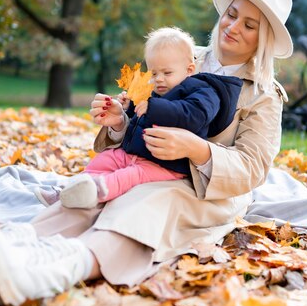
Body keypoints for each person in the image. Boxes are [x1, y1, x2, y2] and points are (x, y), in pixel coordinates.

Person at [0, 0, 293, 306]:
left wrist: (196, 148)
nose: (233, 27)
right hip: (147, 161)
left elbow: (254, 167)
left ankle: (48, 272)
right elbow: (141, 114)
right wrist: (119, 120)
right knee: (96, 188)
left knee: (146, 201)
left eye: (249, 25)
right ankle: (10, 245)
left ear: (263, 40)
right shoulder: (182, 55)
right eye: (231, 14)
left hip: (205, 189)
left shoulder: (263, 94)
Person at [33, 26, 242, 210]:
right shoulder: (157, 91)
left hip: (166, 165)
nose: (158, 79)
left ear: (189, 70)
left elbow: (194, 115)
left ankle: (95, 194)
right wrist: (128, 109)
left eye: (167, 73)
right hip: (134, 152)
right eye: (153, 73)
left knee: (130, 176)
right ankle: (70, 190)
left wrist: (154, 107)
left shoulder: (202, 90)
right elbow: (139, 118)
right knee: (105, 159)